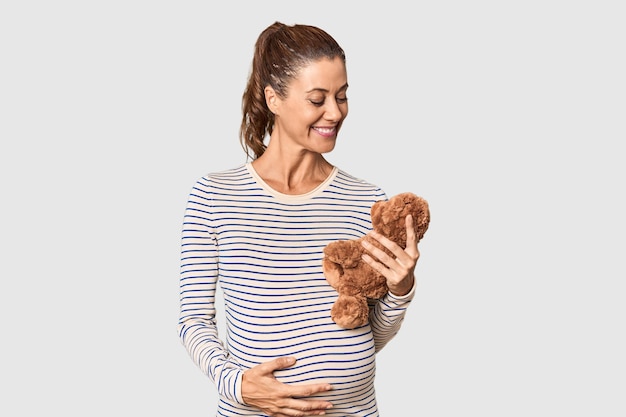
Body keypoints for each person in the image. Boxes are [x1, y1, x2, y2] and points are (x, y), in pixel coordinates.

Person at [178, 21, 422, 417]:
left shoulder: (367, 200)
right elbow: (193, 320)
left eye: (342, 96)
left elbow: (369, 333)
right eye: (317, 98)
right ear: (274, 99)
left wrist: (400, 290)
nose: (335, 112)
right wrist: (237, 385)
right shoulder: (215, 196)